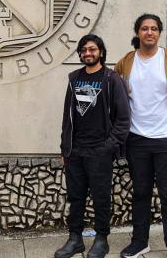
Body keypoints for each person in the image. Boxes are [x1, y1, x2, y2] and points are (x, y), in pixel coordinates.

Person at [115, 14, 167, 258]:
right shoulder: (125, 63)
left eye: (153, 28)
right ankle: (140, 242)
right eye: (144, 28)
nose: (149, 32)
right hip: (136, 139)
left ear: (159, 33)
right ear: (138, 32)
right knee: (140, 193)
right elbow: (116, 97)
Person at [55, 34, 131, 258]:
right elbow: (67, 117)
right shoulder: (74, 78)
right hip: (75, 150)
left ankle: (101, 239)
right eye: (84, 50)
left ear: (101, 52)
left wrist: (109, 146)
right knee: (76, 197)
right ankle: (75, 239)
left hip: (100, 150)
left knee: (100, 197)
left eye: (92, 49)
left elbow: (124, 119)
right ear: (80, 53)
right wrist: (64, 148)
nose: (88, 53)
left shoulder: (111, 79)